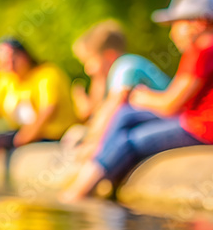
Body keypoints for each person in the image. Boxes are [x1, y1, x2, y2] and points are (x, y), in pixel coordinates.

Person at [60, 0, 213, 202]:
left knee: (132, 141)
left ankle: (78, 193)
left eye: (176, 24)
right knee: (126, 114)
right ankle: (93, 168)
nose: (172, 33)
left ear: (199, 22)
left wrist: (143, 97)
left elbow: (170, 105)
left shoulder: (205, 49)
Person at [0, 38, 77, 179]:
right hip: (22, 133)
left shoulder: (47, 74)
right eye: (2, 62)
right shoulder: (1, 80)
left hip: (53, 135)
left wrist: (25, 137)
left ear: (24, 56)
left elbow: (48, 111)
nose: (9, 66)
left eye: (12, 60)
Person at [69, 20, 171, 160]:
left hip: (168, 118)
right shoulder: (115, 72)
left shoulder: (125, 66)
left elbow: (112, 108)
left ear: (109, 55)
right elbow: (101, 110)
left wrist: (92, 143)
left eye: (90, 61)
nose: (88, 69)